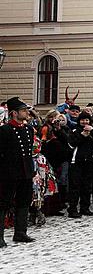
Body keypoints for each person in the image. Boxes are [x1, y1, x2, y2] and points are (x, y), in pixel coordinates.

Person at [0, 97, 37, 247]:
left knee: (24, 201)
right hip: (8, 172)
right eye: (23, 110)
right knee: (3, 203)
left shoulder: (28, 129)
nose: (27, 112)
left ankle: (20, 232)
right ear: (14, 113)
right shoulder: (4, 130)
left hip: (25, 172)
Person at [66, 111, 93, 218]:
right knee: (75, 186)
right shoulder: (74, 131)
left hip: (89, 162)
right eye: (82, 120)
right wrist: (81, 136)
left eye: (86, 120)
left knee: (87, 187)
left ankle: (84, 208)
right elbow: (71, 145)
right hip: (76, 162)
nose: (84, 122)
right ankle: (72, 209)